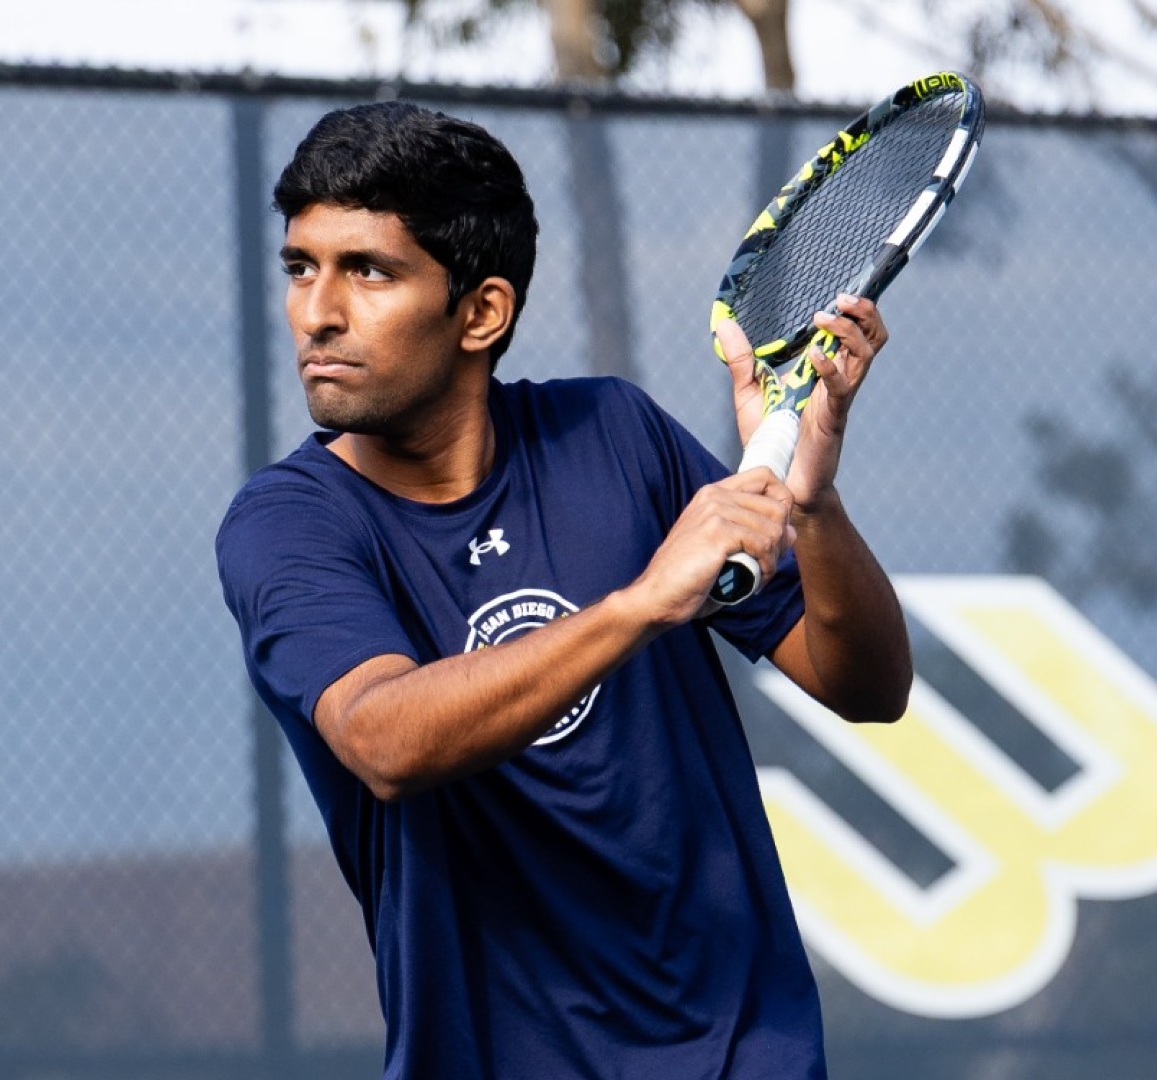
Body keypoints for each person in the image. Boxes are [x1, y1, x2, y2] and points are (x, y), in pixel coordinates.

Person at [214, 101, 912, 1080]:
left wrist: (817, 505)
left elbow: (865, 685)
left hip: (746, 1054)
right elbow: (383, 738)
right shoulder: (288, 526)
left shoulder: (616, 434)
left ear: (482, 312)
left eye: (366, 270)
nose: (315, 311)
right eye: (302, 267)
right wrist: (641, 603)